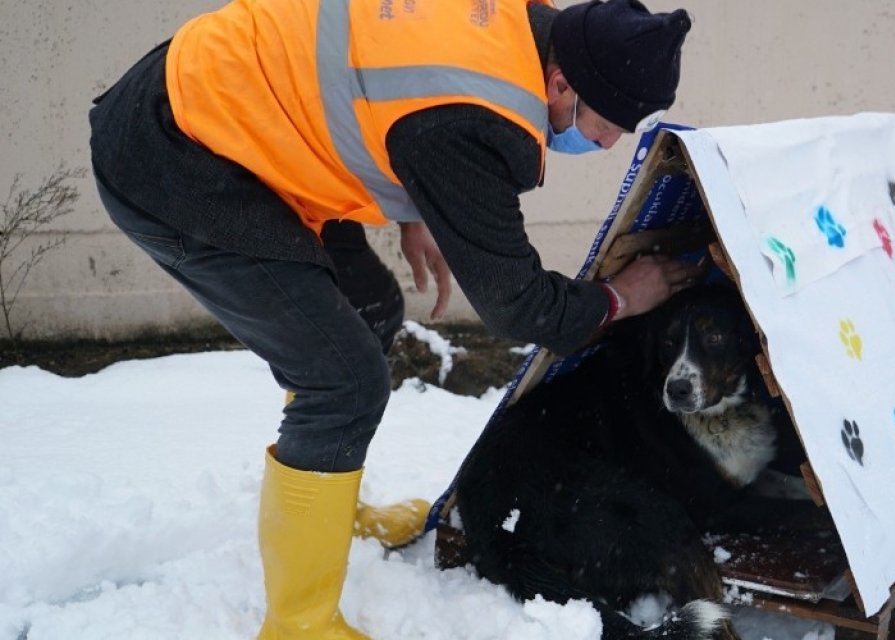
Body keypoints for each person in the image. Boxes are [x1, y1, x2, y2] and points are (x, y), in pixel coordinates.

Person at [88, 0, 696, 637]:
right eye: (608, 125)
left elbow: (380, 73)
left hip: (235, 110)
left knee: (368, 310)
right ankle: (299, 626)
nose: (607, 144)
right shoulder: (483, 115)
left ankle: (329, 510)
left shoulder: (507, 24)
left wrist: (420, 202)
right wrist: (622, 297)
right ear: (562, 83)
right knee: (342, 380)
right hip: (177, 155)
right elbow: (517, 304)